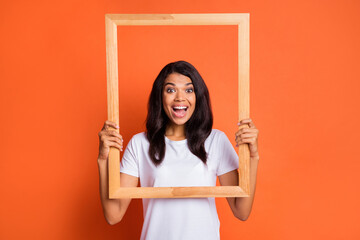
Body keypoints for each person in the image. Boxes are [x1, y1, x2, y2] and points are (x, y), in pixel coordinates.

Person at [97, 60, 260, 240]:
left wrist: (253, 157)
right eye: (171, 90)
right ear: (160, 97)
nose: (180, 97)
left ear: (198, 96)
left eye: (189, 90)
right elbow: (113, 215)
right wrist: (103, 160)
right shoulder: (140, 144)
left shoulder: (216, 141)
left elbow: (241, 210)